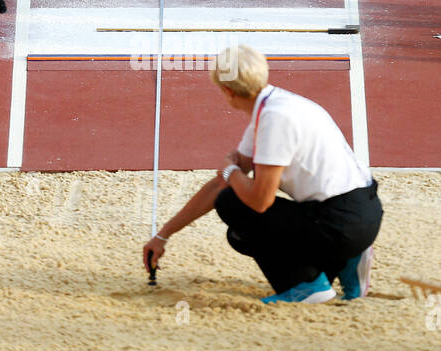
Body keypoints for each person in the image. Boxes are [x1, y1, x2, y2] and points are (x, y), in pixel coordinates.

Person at [141, 45, 382, 303]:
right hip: (361, 212)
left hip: (341, 222)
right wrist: (163, 234)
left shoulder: (274, 119)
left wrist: (231, 171)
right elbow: (218, 184)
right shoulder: (276, 105)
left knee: (233, 205)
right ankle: (348, 259)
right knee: (238, 234)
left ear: (227, 91)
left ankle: (308, 287)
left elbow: (259, 200)